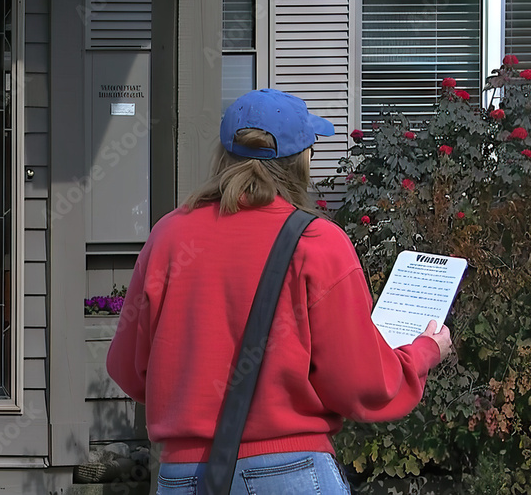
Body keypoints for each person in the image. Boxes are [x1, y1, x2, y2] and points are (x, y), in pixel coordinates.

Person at [106, 88, 453, 494]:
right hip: (288, 471)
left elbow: (129, 369)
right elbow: (362, 385)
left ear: (223, 155)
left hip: (184, 476)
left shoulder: (168, 237)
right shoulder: (319, 243)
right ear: (303, 160)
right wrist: (423, 352)